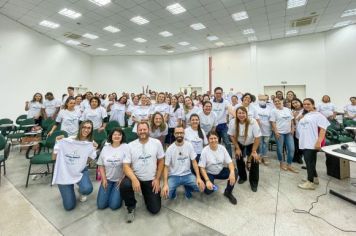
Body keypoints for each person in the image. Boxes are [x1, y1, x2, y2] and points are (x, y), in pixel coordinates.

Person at [120, 121, 164, 223]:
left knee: (155, 210)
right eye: (140, 130)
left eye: (145, 129)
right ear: (137, 131)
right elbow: (125, 166)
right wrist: (134, 179)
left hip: (151, 179)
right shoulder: (130, 146)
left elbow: (161, 160)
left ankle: (146, 193)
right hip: (136, 177)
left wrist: (157, 179)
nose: (142, 131)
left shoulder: (156, 143)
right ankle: (131, 206)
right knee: (125, 185)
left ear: (149, 130)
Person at [52, 120, 97, 211]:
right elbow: (54, 158)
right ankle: (69, 189)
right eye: (84, 127)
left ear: (91, 130)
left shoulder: (90, 144)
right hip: (64, 172)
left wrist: (94, 149)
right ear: (80, 128)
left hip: (79, 170)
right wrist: (57, 143)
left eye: (89, 128)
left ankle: (81, 190)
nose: (86, 130)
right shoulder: (69, 140)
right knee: (69, 207)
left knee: (87, 189)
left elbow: (87, 161)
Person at [161, 126, 205, 200]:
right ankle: (173, 191)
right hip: (174, 176)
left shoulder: (189, 145)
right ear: (174, 134)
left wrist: (198, 177)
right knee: (166, 195)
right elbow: (166, 167)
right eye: (177, 133)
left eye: (181, 133)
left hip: (187, 174)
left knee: (202, 188)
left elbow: (194, 162)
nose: (179, 135)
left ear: (184, 134)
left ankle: (188, 188)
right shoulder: (170, 149)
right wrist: (165, 184)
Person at [297, 98, 330, 190]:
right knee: (310, 162)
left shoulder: (318, 115)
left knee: (309, 163)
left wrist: (318, 142)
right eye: (304, 104)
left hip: (312, 142)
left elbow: (323, 130)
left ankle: (310, 182)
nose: (306, 106)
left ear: (313, 104)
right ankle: (315, 179)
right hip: (304, 141)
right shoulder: (306, 114)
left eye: (308, 104)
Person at [199, 131, 238, 205]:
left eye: (215, 138)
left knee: (235, 172)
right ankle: (206, 182)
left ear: (218, 138)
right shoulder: (205, 151)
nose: (213, 140)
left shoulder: (222, 148)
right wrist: (207, 180)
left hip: (220, 171)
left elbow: (230, 162)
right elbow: (202, 168)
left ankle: (228, 192)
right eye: (211, 138)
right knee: (208, 191)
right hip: (209, 173)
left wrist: (232, 172)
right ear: (208, 140)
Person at [228, 106, 261, 192]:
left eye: (243, 113)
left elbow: (257, 137)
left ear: (246, 114)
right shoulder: (233, 122)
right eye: (239, 113)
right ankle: (242, 177)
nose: (241, 115)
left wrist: (253, 152)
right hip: (239, 142)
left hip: (252, 142)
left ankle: (253, 182)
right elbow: (231, 135)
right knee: (238, 157)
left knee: (255, 160)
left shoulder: (252, 122)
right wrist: (237, 148)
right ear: (236, 114)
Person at [97, 128, 129, 210]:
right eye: (115, 134)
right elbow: (101, 165)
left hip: (119, 180)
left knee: (114, 206)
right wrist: (104, 179)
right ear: (111, 136)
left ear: (122, 136)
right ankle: (112, 193)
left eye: (119, 134)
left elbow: (129, 165)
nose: (117, 136)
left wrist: (122, 179)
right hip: (107, 179)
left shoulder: (126, 147)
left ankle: (120, 195)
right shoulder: (105, 148)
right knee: (101, 205)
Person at [270, 97, 298, 173]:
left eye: (278, 101)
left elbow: (291, 120)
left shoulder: (287, 109)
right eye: (275, 101)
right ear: (274, 103)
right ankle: (281, 163)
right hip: (279, 133)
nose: (277, 102)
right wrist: (276, 132)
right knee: (279, 149)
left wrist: (292, 129)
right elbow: (272, 122)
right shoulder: (273, 111)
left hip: (289, 133)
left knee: (292, 149)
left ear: (282, 101)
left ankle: (289, 165)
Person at [211, 87, 232, 157]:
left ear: (222, 94)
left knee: (227, 143)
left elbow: (230, 110)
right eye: (217, 93)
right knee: (215, 143)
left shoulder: (226, 102)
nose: (218, 94)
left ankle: (230, 160)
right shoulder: (211, 101)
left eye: (220, 93)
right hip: (214, 126)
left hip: (223, 126)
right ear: (214, 94)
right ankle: (217, 157)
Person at [255, 95, 272, 165]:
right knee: (259, 144)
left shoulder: (270, 108)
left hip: (267, 129)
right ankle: (259, 156)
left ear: (266, 100)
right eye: (261, 99)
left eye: (264, 100)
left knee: (265, 144)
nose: (262, 101)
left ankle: (264, 156)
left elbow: (272, 118)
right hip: (258, 129)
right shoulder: (255, 107)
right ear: (258, 99)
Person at [291, 98, 304, 164]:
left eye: (296, 102)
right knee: (296, 145)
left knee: (302, 145)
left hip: (304, 131)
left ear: (300, 102)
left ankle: (300, 157)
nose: (295, 104)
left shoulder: (305, 110)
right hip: (296, 130)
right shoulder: (292, 111)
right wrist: (293, 117)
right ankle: (295, 157)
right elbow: (294, 122)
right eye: (293, 103)